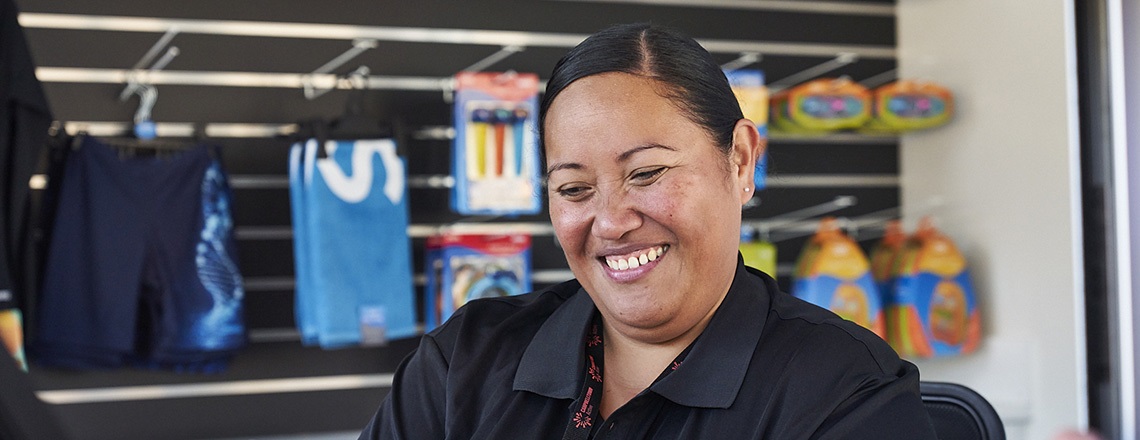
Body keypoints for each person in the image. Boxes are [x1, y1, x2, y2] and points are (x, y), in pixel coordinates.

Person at [359, 23, 937, 439]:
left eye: (647, 173)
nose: (610, 221)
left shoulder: (846, 394)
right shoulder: (464, 361)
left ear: (739, 160)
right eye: (573, 189)